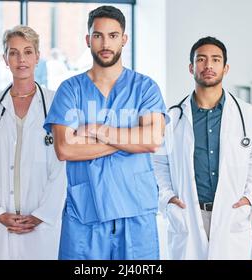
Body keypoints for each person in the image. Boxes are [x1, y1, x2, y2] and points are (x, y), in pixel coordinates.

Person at [44, 5, 167, 260]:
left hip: (135, 213)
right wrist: (131, 139)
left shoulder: (145, 88)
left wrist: (97, 130)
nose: (105, 43)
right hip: (85, 213)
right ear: (88, 40)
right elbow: (64, 148)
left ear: (124, 39)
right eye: (98, 35)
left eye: (113, 35)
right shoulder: (70, 90)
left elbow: (153, 140)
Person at [153, 36, 252, 259]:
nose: (208, 66)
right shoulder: (173, 117)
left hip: (231, 212)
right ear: (191, 67)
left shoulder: (247, 115)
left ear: (225, 68)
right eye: (201, 59)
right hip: (187, 213)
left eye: (215, 60)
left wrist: (249, 199)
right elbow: (159, 162)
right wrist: (167, 198)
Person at [0, 25, 66, 260]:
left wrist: (42, 214)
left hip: (41, 223)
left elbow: (63, 165)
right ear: (5, 59)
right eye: (13, 53)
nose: (20, 59)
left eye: (27, 51)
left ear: (37, 56)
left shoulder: (56, 104)